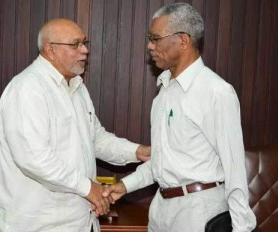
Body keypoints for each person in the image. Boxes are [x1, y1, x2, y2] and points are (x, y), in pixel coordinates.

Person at [0, 18, 150, 232]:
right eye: (75, 44)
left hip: (76, 222)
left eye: (84, 43)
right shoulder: (27, 89)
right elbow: (34, 158)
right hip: (32, 224)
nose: (85, 51)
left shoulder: (77, 87)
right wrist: (88, 188)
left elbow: (95, 138)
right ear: (50, 50)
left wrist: (137, 151)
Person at [103, 3, 256, 232]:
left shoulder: (216, 92)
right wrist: (125, 186)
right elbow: (163, 161)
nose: (150, 45)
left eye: (155, 38)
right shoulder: (164, 90)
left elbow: (235, 170)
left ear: (183, 40)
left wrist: (242, 228)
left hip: (198, 212)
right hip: (161, 210)